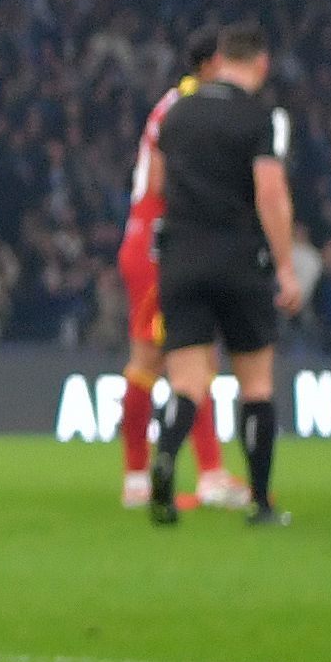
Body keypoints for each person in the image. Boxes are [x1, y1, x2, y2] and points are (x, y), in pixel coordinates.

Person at [147, 24, 301, 530]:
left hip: (181, 257)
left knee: (188, 381)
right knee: (255, 383)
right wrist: (284, 265)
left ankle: (165, 464)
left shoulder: (176, 111)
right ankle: (260, 502)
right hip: (238, 259)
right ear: (260, 64)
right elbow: (270, 191)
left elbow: (154, 183)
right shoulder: (259, 117)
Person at [117, 33, 242, 512]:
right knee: (151, 360)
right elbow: (156, 182)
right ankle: (138, 478)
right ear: (211, 65)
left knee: (196, 360)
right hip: (157, 245)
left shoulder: (179, 104)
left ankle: (208, 473)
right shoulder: (185, 108)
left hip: (159, 242)